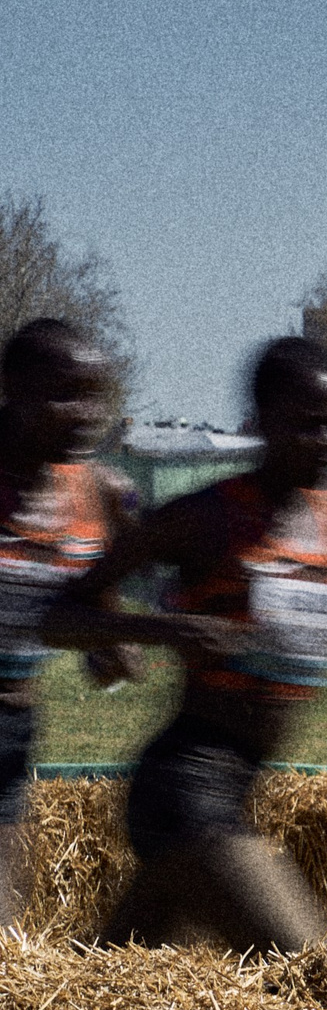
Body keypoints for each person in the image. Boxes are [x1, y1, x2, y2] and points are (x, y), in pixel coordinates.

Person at [46, 338, 327, 953]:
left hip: (239, 789)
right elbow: (60, 615)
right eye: (309, 426)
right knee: (317, 969)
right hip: (183, 789)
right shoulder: (207, 518)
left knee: (97, 990)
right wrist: (168, 631)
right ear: (260, 422)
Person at [0, 321, 143, 923]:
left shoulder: (104, 492)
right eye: (67, 395)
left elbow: (94, 596)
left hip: (12, 722)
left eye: (98, 396)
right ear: (13, 390)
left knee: (11, 940)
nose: (88, 414)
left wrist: (106, 644)